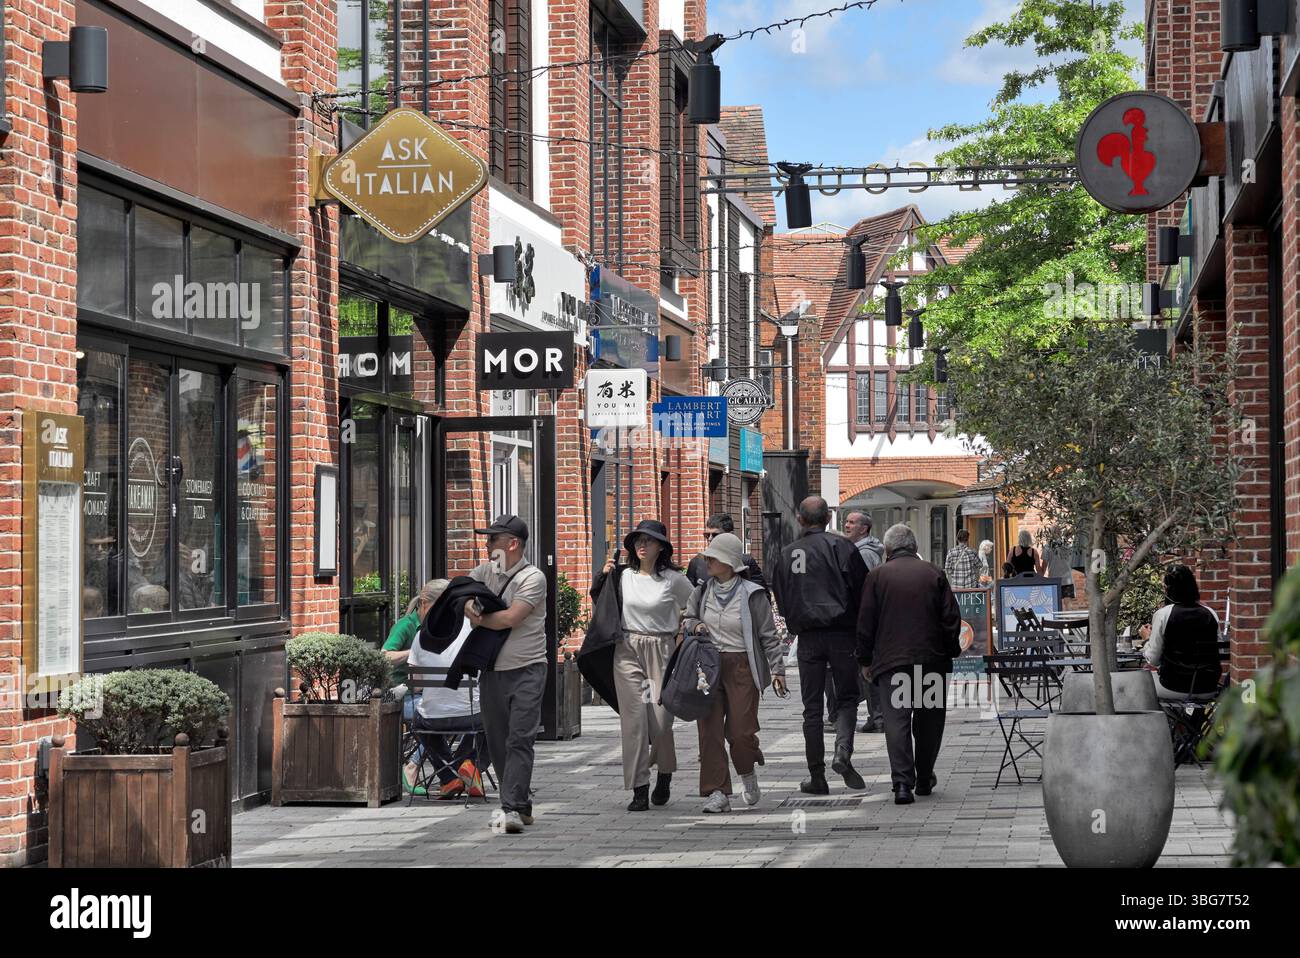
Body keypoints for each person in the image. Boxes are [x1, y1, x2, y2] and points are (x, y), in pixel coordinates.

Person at [590, 520, 693, 812]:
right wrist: (603, 577)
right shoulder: (623, 576)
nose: (642, 545)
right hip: (627, 649)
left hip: (661, 649)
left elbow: (697, 606)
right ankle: (639, 787)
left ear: (661, 546)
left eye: (649, 540)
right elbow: (601, 602)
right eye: (638, 540)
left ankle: (665, 772)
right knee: (634, 721)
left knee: (661, 722)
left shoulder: (674, 580)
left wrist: (688, 629)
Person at [857, 524, 962, 805]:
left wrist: (865, 659)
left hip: (893, 663)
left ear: (888, 550)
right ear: (915, 547)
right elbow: (951, 618)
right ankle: (925, 777)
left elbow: (866, 622)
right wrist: (951, 651)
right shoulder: (934, 573)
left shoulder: (877, 577)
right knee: (929, 721)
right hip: (931, 660)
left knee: (897, 720)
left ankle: (902, 784)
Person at [683, 533, 788, 813]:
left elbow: (768, 635)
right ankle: (716, 792)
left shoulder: (753, 594)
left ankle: (747, 771)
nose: (706, 561)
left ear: (729, 562)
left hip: (742, 665)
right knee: (709, 732)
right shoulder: (701, 591)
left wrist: (778, 669)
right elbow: (687, 618)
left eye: (712, 557)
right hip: (707, 665)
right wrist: (695, 626)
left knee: (740, 732)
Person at [772, 496, 869, 794]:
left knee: (811, 708)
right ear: (828, 517)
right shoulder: (843, 548)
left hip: (808, 637)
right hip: (842, 633)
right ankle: (842, 751)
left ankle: (817, 774)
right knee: (848, 697)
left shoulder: (787, 554)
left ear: (799, 519)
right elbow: (863, 591)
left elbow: (782, 599)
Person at [463, 515, 548, 835]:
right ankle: (521, 802)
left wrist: (480, 617)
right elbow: (463, 595)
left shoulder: (533, 577)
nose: (486, 545)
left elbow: (511, 618)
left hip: (528, 669)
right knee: (498, 743)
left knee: (519, 739)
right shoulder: (484, 572)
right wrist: (470, 606)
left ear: (512, 544)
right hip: (492, 671)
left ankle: (510, 807)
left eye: (492, 540)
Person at [398, 579, 487, 799]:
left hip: (433, 718)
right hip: (472, 717)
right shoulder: (476, 631)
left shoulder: (421, 635)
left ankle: (449, 777)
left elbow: (416, 684)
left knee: (420, 720)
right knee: (495, 719)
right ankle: (471, 764)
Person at [1139, 565, 1222, 700]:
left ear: (1167, 589)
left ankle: (1167, 720)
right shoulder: (1210, 613)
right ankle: (1191, 721)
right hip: (1209, 687)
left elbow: (1153, 660)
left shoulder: (1163, 614)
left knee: (1141, 681)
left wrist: (1146, 640)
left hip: (1173, 686)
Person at [841, 511, 886, 733]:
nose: (846, 525)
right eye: (846, 521)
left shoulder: (865, 554)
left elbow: (866, 590)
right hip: (864, 618)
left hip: (864, 619)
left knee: (867, 668)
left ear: (864, 528)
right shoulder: (859, 551)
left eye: (852, 522)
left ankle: (877, 716)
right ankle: (875, 715)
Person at [686, 514, 767, 590]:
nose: (710, 539)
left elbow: (761, 596)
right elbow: (689, 598)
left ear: (730, 534)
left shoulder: (745, 561)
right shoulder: (697, 562)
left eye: (715, 535)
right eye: (707, 535)